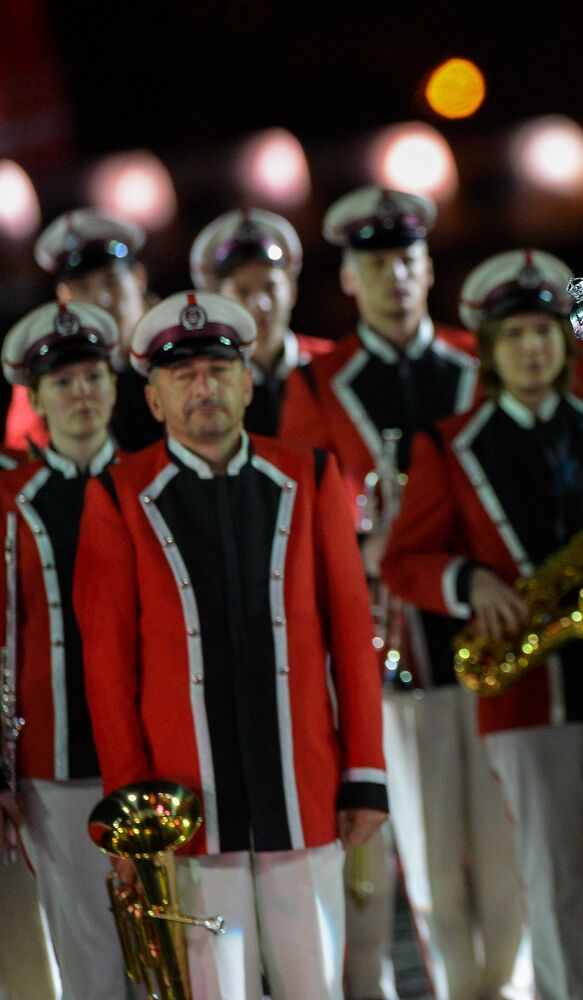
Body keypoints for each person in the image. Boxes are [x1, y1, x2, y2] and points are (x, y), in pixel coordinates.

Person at [380, 257, 583, 1000]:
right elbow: (403, 560)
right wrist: (469, 581)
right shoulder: (450, 444)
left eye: (544, 331)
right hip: (523, 695)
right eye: (513, 334)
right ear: (488, 346)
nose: (532, 348)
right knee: (547, 885)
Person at [74, 291, 389, 999]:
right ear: (152, 400)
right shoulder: (120, 495)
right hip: (185, 804)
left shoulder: (307, 476)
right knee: (219, 990)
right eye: (181, 376)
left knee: (316, 984)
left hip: (303, 788)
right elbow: (107, 664)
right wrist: (132, 811)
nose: (203, 387)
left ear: (249, 383)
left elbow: (351, 635)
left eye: (219, 370)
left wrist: (364, 772)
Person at [280, 187, 529, 1000]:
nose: (394, 275)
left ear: (429, 266)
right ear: (348, 278)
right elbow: (301, 534)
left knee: (508, 854)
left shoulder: (475, 359)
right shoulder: (317, 385)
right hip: (397, 652)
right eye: (375, 263)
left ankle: (516, 988)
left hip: (495, 641)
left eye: (407, 259)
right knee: (430, 866)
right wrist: (368, 544)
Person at [0, 301, 124, 998]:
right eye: (63, 383)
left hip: (160, 755)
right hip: (59, 757)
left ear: (113, 386)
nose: (81, 394)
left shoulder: (147, 481)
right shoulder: (11, 496)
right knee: (89, 961)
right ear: (38, 399)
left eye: (92, 378)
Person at [190, 207, 332, 435]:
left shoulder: (334, 364)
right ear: (218, 305)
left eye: (270, 287)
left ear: (293, 292)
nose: (261, 304)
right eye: (242, 292)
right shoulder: (207, 384)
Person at [31, 208, 164, 451]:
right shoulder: (50, 371)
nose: (102, 300)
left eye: (111, 281)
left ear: (139, 277)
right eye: (83, 287)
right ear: (64, 297)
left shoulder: (182, 346)